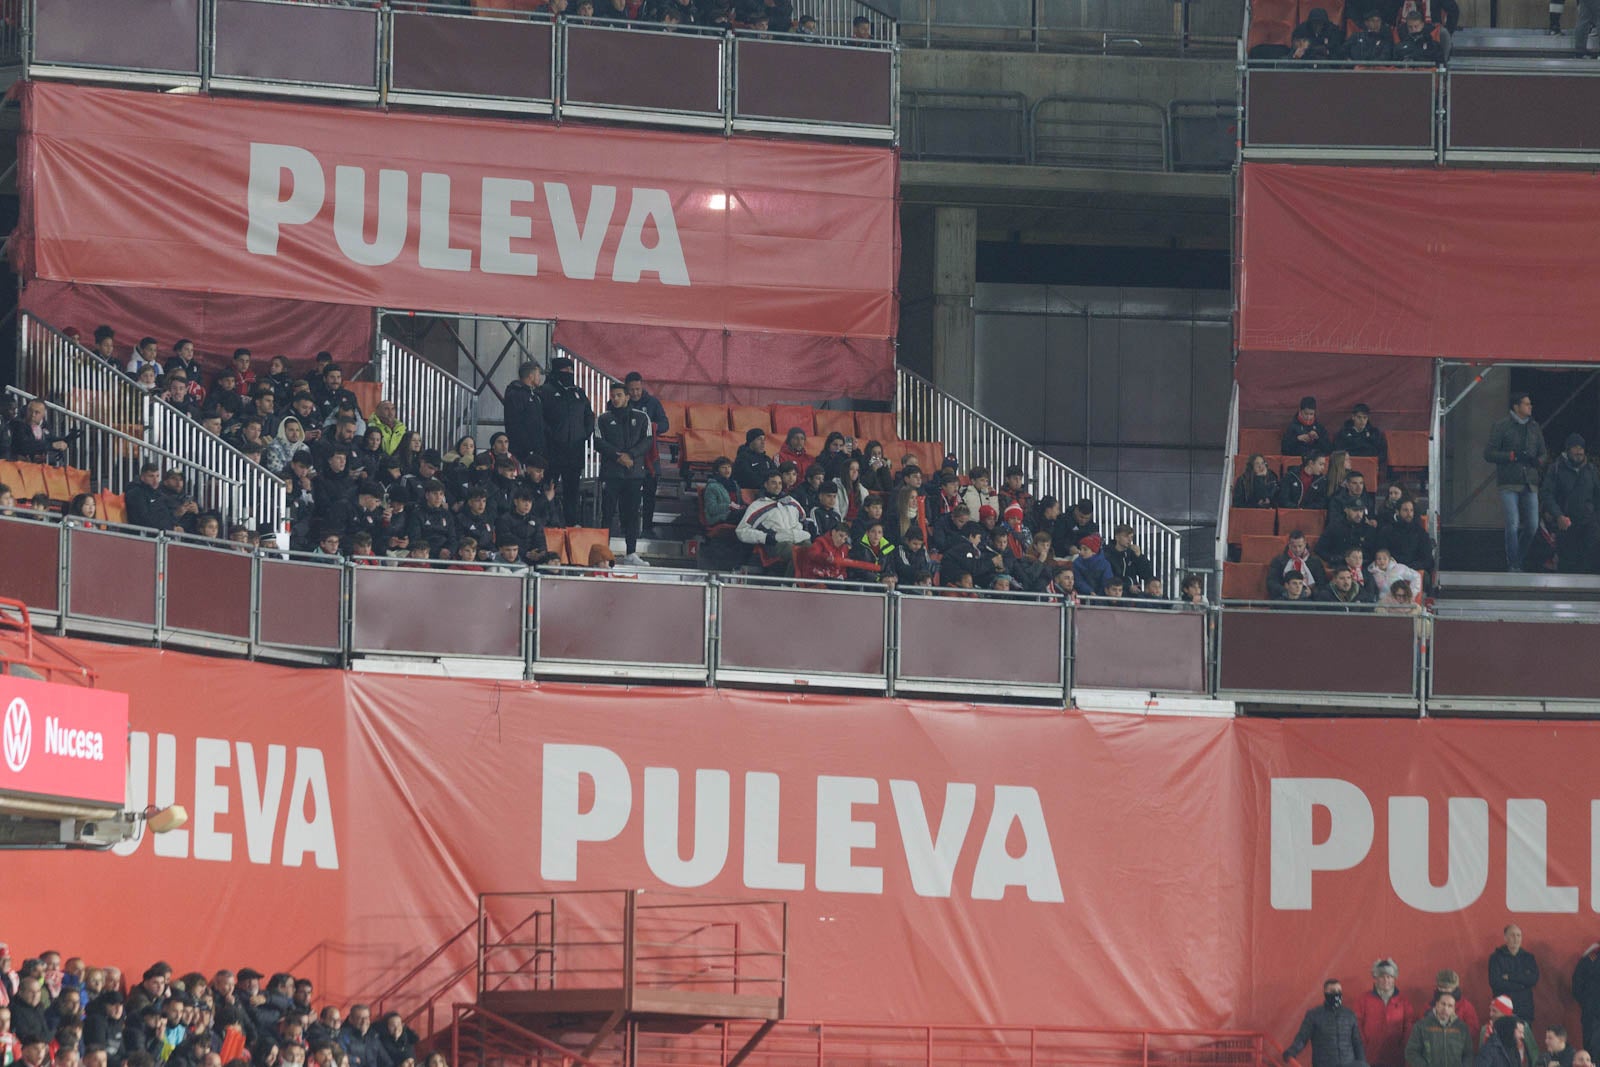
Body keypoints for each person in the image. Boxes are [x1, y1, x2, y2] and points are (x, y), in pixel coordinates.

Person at [595, 382, 653, 566]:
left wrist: (631, 455)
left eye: (619, 395)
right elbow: (598, 442)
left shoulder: (642, 417)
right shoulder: (603, 418)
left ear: (627, 397)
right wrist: (618, 456)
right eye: (613, 395)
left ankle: (631, 553)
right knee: (607, 513)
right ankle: (604, 553)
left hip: (634, 475)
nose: (615, 398)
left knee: (632, 514)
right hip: (611, 474)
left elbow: (648, 440)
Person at [539, 356, 596, 528]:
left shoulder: (578, 392)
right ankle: (545, 522)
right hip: (552, 451)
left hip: (575, 451)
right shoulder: (545, 391)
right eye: (565, 370)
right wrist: (552, 436)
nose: (569, 373)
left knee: (572, 489)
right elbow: (539, 419)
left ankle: (572, 523)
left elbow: (589, 415)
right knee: (549, 487)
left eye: (571, 370)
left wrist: (584, 434)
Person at [1541, 434, 1598, 574]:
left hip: (1589, 525)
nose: (1579, 451)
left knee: (1590, 562)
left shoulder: (1591, 470)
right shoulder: (1556, 469)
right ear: (1567, 450)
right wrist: (1558, 515)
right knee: (1568, 565)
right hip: (1565, 525)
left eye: (1581, 448)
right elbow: (1547, 494)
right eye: (1575, 447)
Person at [736, 471, 810, 570]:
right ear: (766, 485)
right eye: (773, 483)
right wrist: (766, 538)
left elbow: (803, 520)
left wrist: (803, 530)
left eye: (780, 483)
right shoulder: (757, 506)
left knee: (813, 555)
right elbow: (741, 531)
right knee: (798, 557)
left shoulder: (791, 501)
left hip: (799, 539)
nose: (777, 486)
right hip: (776, 543)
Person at [624, 372, 669, 534]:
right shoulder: (621, 401)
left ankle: (648, 528)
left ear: (642, 386)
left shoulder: (653, 402)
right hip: (629, 455)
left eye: (638, 389)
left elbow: (665, 425)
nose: (635, 393)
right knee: (629, 495)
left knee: (649, 493)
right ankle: (627, 527)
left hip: (649, 455)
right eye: (631, 390)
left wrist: (651, 426)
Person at [1285, 979, 1365, 1067]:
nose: (1336, 993)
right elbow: (1302, 1038)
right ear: (1325, 992)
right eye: (1333, 991)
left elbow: (1357, 1042)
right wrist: (1292, 1051)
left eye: (1339, 991)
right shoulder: (1314, 1015)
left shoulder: (1349, 1015)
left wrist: (1362, 1062)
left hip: (1348, 1064)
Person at [1356, 959, 1418, 1067]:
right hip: (1371, 1057)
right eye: (1382, 977)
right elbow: (1357, 1024)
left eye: (1389, 977)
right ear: (1376, 978)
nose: (1386, 980)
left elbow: (1409, 1025)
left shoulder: (1403, 1001)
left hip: (1395, 1057)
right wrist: (1365, 1045)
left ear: (1394, 978)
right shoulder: (1364, 999)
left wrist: (1402, 1046)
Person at [1406, 990, 1471, 1067]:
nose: (1445, 1009)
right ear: (1436, 1004)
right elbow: (1411, 1052)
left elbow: (1468, 1055)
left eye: (1450, 1006)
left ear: (1454, 1009)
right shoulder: (1421, 1026)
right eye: (1443, 1004)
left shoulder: (1462, 1028)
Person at [1489, 925, 1539, 1023]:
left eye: (1518, 935)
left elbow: (1533, 979)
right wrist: (1522, 985)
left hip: (1524, 1009)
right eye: (1512, 935)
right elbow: (1495, 983)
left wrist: (1510, 977)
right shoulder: (1496, 958)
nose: (1516, 939)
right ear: (1505, 938)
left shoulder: (1528, 958)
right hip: (1502, 1010)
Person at [503, 362, 546, 467]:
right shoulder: (516, 394)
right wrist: (528, 446)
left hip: (536, 449)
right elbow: (515, 423)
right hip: (522, 450)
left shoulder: (534, 395)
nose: (540, 378)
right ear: (531, 376)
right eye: (538, 375)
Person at [1379, 498, 1435, 575]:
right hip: (1392, 570)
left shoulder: (1420, 532)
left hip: (1415, 570)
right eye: (1405, 510)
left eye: (1411, 510)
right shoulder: (1387, 531)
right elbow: (1382, 553)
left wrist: (1412, 567)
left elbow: (1427, 559)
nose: (1409, 514)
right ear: (1397, 512)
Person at [1268, 530, 1326, 599]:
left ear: (1305, 544)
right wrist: (1285, 591)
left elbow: (1322, 584)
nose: (1297, 549)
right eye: (1294, 547)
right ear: (1289, 545)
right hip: (1284, 597)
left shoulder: (1315, 562)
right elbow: (1272, 582)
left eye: (1300, 546)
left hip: (1309, 598)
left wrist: (1312, 592)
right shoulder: (1279, 561)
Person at [1335, 404, 1390, 470]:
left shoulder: (1374, 433)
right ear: (1353, 417)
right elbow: (1338, 451)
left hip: (1369, 466)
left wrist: (1376, 462)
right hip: (1349, 466)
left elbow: (1382, 451)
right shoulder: (1343, 433)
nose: (1362, 420)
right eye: (1359, 417)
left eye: (1365, 417)